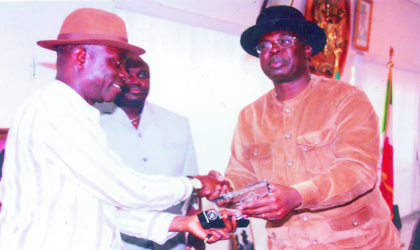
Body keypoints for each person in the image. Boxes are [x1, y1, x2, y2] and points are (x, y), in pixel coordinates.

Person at [0, 8, 235, 250]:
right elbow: (129, 191)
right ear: (81, 57)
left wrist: (184, 223)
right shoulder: (54, 112)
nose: (123, 75)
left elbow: (103, 209)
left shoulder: (76, 115)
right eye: (116, 62)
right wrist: (195, 183)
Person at [224, 6, 401, 249]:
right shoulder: (250, 116)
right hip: (290, 242)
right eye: (264, 46)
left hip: (357, 243)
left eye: (284, 40)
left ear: (307, 49)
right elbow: (242, 175)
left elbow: (358, 170)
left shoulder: (346, 99)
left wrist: (298, 195)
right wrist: (224, 191)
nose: (273, 49)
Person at [99, 55, 204, 250]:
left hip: (173, 242)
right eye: (128, 76)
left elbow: (194, 190)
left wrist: (197, 237)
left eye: (142, 75)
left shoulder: (178, 123)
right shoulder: (95, 123)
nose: (136, 81)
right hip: (118, 241)